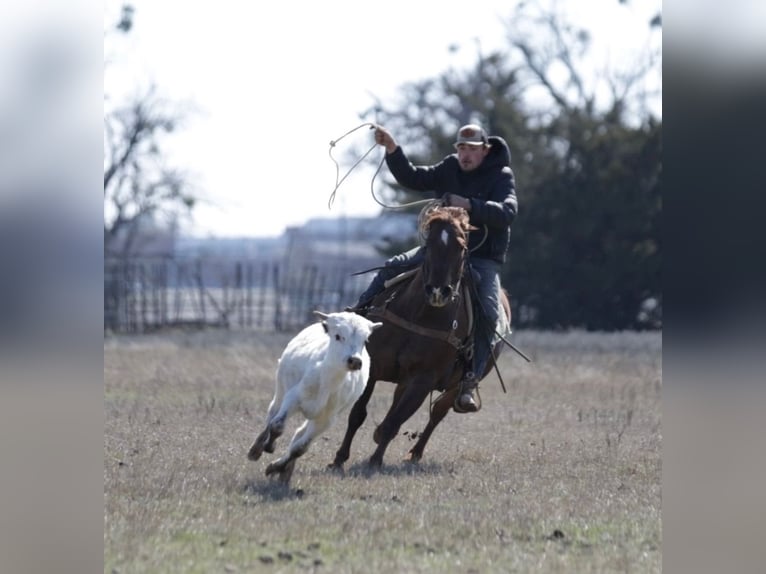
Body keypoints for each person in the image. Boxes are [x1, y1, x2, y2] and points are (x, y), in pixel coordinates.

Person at [349, 123, 518, 413]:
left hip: (481, 257)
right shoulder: (449, 167)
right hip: (439, 252)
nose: (465, 155)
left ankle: (469, 380)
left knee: (490, 312)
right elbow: (412, 176)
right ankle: (355, 321)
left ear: (485, 150)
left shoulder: (501, 176)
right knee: (392, 266)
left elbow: (508, 212)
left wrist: (470, 205)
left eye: (472, 149)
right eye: (462, 148)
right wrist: (392, 148)